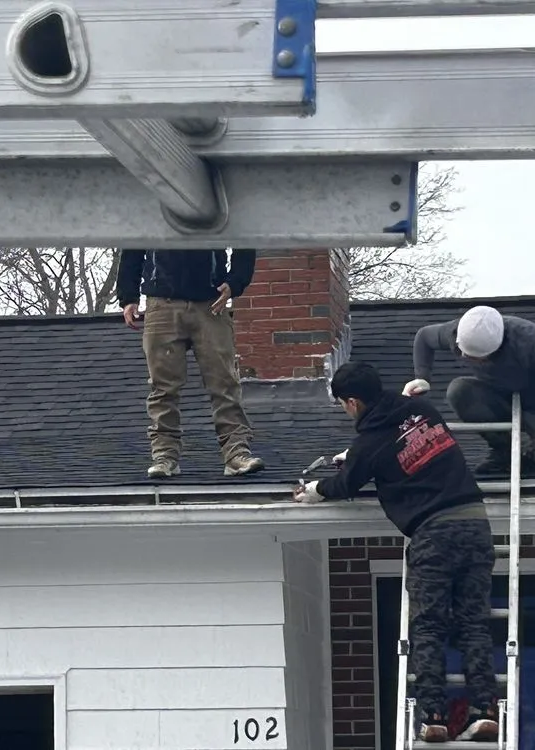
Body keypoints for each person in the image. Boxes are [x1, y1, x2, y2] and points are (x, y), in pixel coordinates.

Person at [293, 362, 500, 744]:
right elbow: (398, 435)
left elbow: (346, 483)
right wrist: (352, 454)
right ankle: (485, 711)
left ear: (352, 402)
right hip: (475, 523)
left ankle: (434, 717)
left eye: (342, 404)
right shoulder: (422, 410)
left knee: (429, 626)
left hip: (433, 534)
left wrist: (314, 490)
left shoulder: (370, 443)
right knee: (473, 622)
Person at [116, 249, 265, 479]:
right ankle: (164, 456)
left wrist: (235, 282)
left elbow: (243, 238)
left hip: (211, 300)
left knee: (224, 382)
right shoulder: (153, 211)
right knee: (162, 386)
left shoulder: (220, 210)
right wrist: (128, 296)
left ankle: (236, 454)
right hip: (161, 301)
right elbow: (133, 243)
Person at [405, 304, 535, 476]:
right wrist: (422, 377)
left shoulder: (527, 341)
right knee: (459, 390)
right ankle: (504, 452)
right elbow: (424, 337)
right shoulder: (458, 331)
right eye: (463, 352)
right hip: (498, 396)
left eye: (475, 358)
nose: (465, 358)